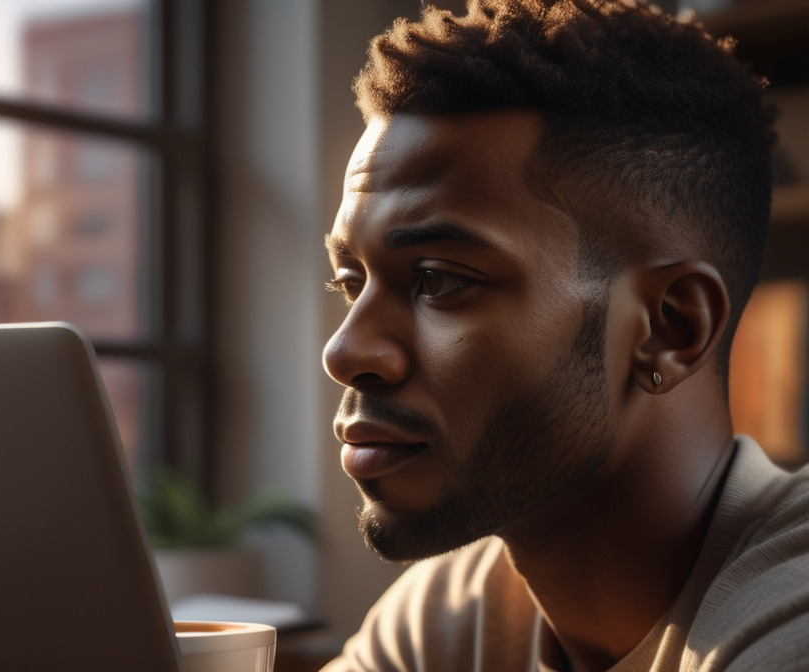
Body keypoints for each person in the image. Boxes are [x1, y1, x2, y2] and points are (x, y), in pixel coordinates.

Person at [319, 1, 809, 670]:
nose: (345, 353)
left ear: (671, 327)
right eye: (351, 282)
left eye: (438, 280)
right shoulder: (450, 615)